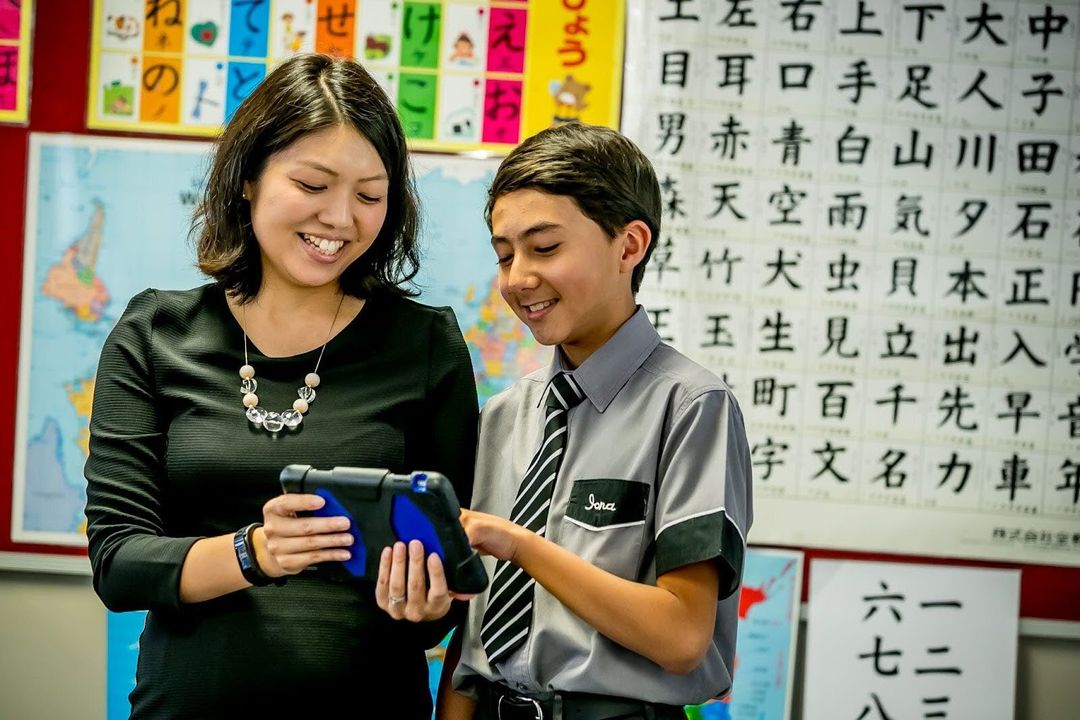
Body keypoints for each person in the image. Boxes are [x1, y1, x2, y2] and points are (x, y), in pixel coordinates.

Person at [84, 53, 477, 719]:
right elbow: (120, 564)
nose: (341, 219)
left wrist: (430, 602)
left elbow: (441, 587)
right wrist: (255, 552)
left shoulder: (426, 345)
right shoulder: (156, 332)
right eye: (313, 185)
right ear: (248, 179)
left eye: (369, 195)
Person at [437, 123, 753, 719]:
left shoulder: (691, 407)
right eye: (504, 255)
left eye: (545, 248)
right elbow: (476, 634)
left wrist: (518, 545)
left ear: (629, 246)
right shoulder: (505, 415)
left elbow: (682, 637)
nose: (518, 279)